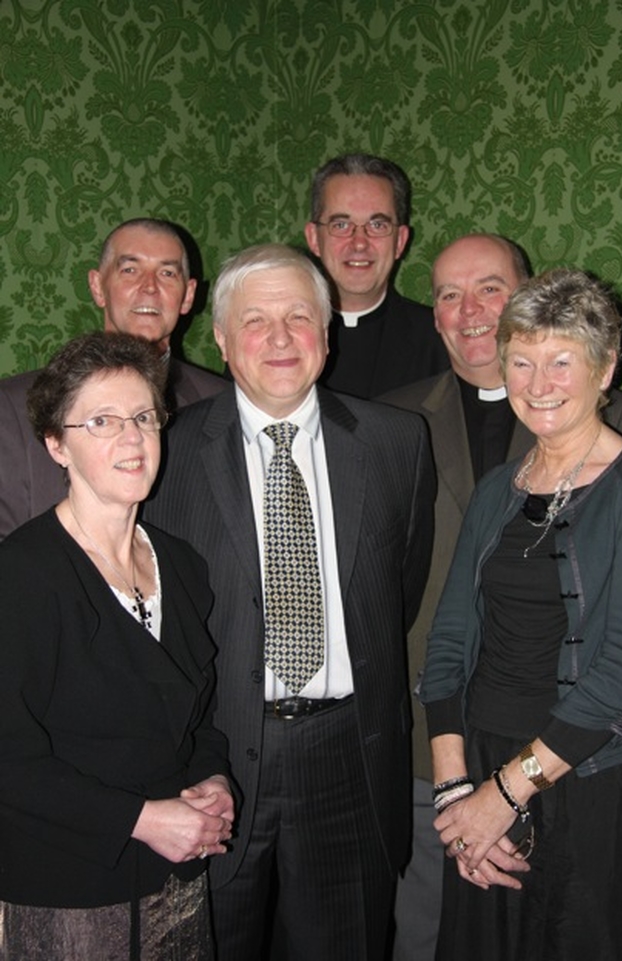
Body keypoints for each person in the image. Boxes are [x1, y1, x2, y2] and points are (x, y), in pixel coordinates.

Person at [144, 243, 435, 961]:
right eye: (256, 321)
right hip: (213, 764)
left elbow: (398, 587)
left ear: (327, 332)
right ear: (219, 337)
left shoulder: (397, 442)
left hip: (349, 755)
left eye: (299, 317)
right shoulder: (166, 453)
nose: (279, 339)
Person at [380, 234, 622, 961]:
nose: (540, 380)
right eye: (521, 360)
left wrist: (502, 794)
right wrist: (456, 791)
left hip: (582, 772)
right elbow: (450, 641)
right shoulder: (501, 488)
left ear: (605, 367)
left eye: (563, 360)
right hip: (481, 764)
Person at [0, 331, 235, 961]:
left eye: (142, 417)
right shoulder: (21, 575)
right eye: (101, 421)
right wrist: (145, 820)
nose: (131, 439)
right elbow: (9, 762)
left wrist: (211, 777)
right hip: (69, 889)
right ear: (57, 444)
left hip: (179, 882)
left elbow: (201, 716)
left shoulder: (182, 565)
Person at [0, 217, 225, 540]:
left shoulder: (219, 403)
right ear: (97, 286)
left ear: (188, 295)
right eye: (130, 270)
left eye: (167, 273)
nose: (150, 287)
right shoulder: (12, 407)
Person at [304, 153, 449, 398]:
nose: (359, 243)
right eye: (340, 225)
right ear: (314, 239)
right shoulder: (276, 339)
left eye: (377, 225)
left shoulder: (440, 341)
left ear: (400, 241)